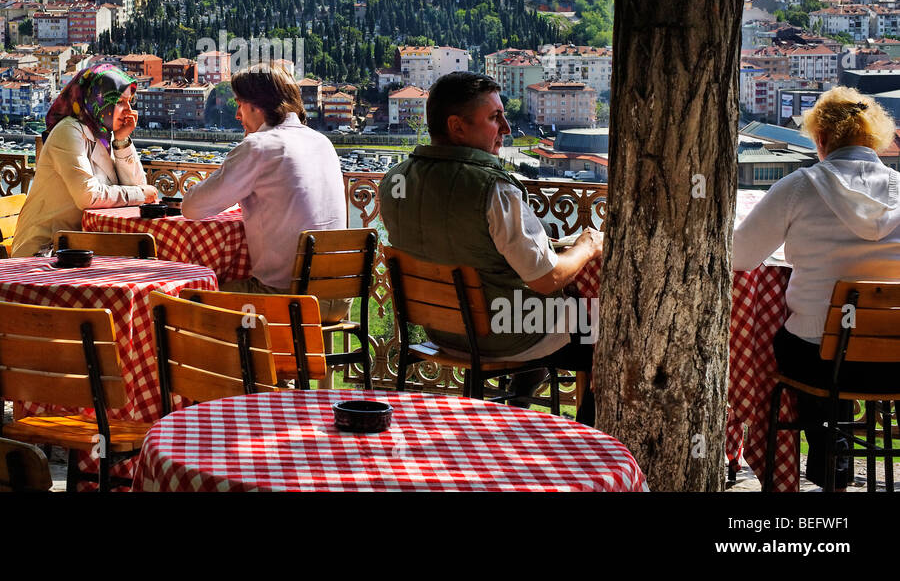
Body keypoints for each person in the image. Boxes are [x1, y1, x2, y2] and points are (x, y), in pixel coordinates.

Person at [378, 71, 603, 422]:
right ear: (457, 126)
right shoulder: (495, 190)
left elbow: (459, 244)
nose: (507, 128)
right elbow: (545, 280)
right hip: (501, 333)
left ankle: (515, 410)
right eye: (495, 118)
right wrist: (587, 246)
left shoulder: (395, 179)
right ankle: (591, 445)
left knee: (540, 310)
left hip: (440, 329)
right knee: (601, 328)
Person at [734, 86, 900, 490]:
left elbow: (739, 257)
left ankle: (823, 452)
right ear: (875, 138)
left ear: (821, 139)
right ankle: (836, 460)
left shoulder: (798, 187)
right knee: (838, 343)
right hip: (894, 357)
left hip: (819, 358)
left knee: (798, 340)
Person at [181, 64, 348, 317]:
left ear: (255, 105)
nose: (238, 115)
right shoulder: (321, 141)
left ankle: (245, 358)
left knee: (187, 301)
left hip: (289, 298)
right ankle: (296, 358)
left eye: (239, 105)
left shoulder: (259, 146)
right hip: (340, 298)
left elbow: (191, 208)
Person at [10, 63, 157, 257]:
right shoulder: (68, 131)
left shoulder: (105, 135)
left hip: (82, 247)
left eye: (130, 102)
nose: (129, 110)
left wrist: (121, 142)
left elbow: (137, 189)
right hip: (45, 250)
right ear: (97, 99)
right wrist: (140, 193)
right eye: (120, 102)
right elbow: (87, 196)